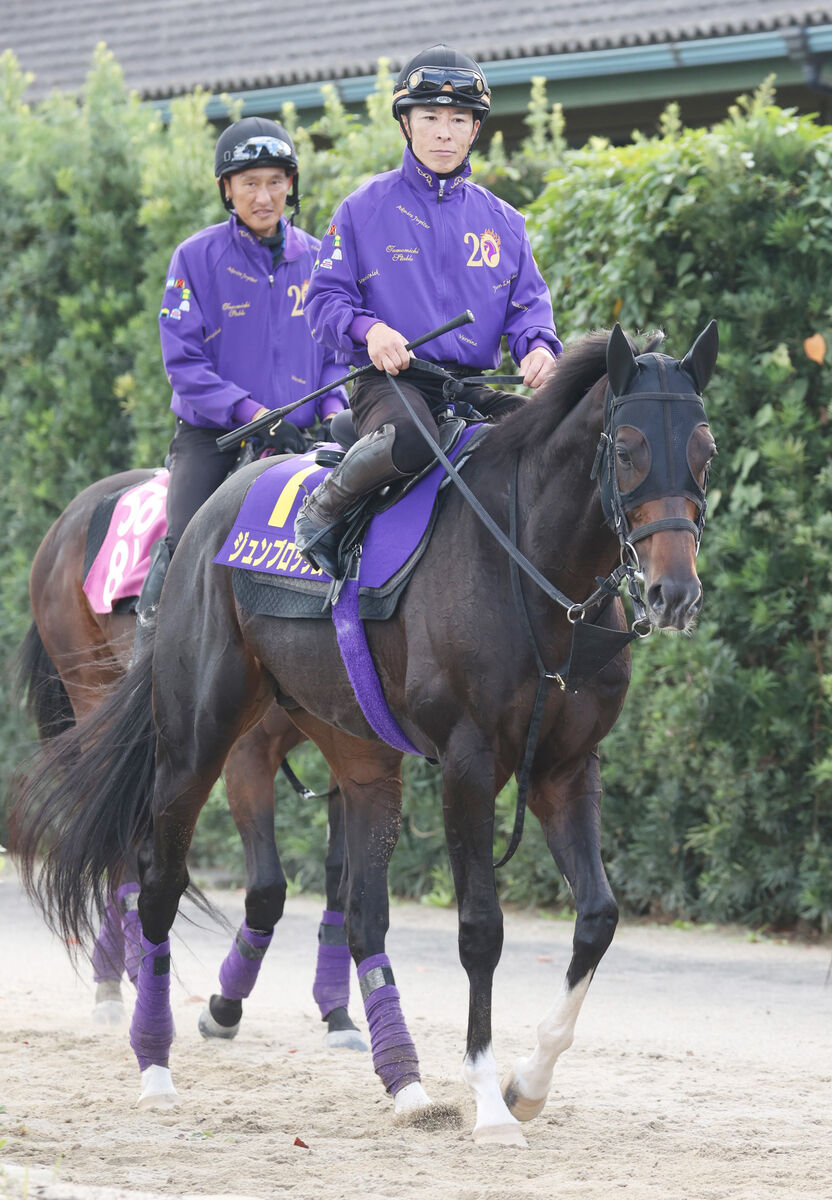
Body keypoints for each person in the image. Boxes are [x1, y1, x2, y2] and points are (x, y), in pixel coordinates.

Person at [294, 45, 562, 576]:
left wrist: (537, 348)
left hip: (467, 384)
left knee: (550, 438)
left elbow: (528, 308)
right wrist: (369, 331)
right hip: (392, 382)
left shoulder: (505, 222)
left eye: (458, 119)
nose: (444, 131)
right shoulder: (361, 209)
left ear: (474, 130)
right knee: (415, 437)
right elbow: (323, 302)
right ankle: (323, 508)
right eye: (430, 117)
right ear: (406, 125)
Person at [135, 116, 348, 640]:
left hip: (305, 437)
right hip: (215, 437)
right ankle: (151, 639)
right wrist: (253, 415)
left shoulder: (321, 259)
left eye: (275, 181)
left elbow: (336, 352)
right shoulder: (194, 257)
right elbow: (183, 365)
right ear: (225, 190)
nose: (264, 196)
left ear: (291, 185)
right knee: (186, 535)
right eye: (249, 183)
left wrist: (333, 412)